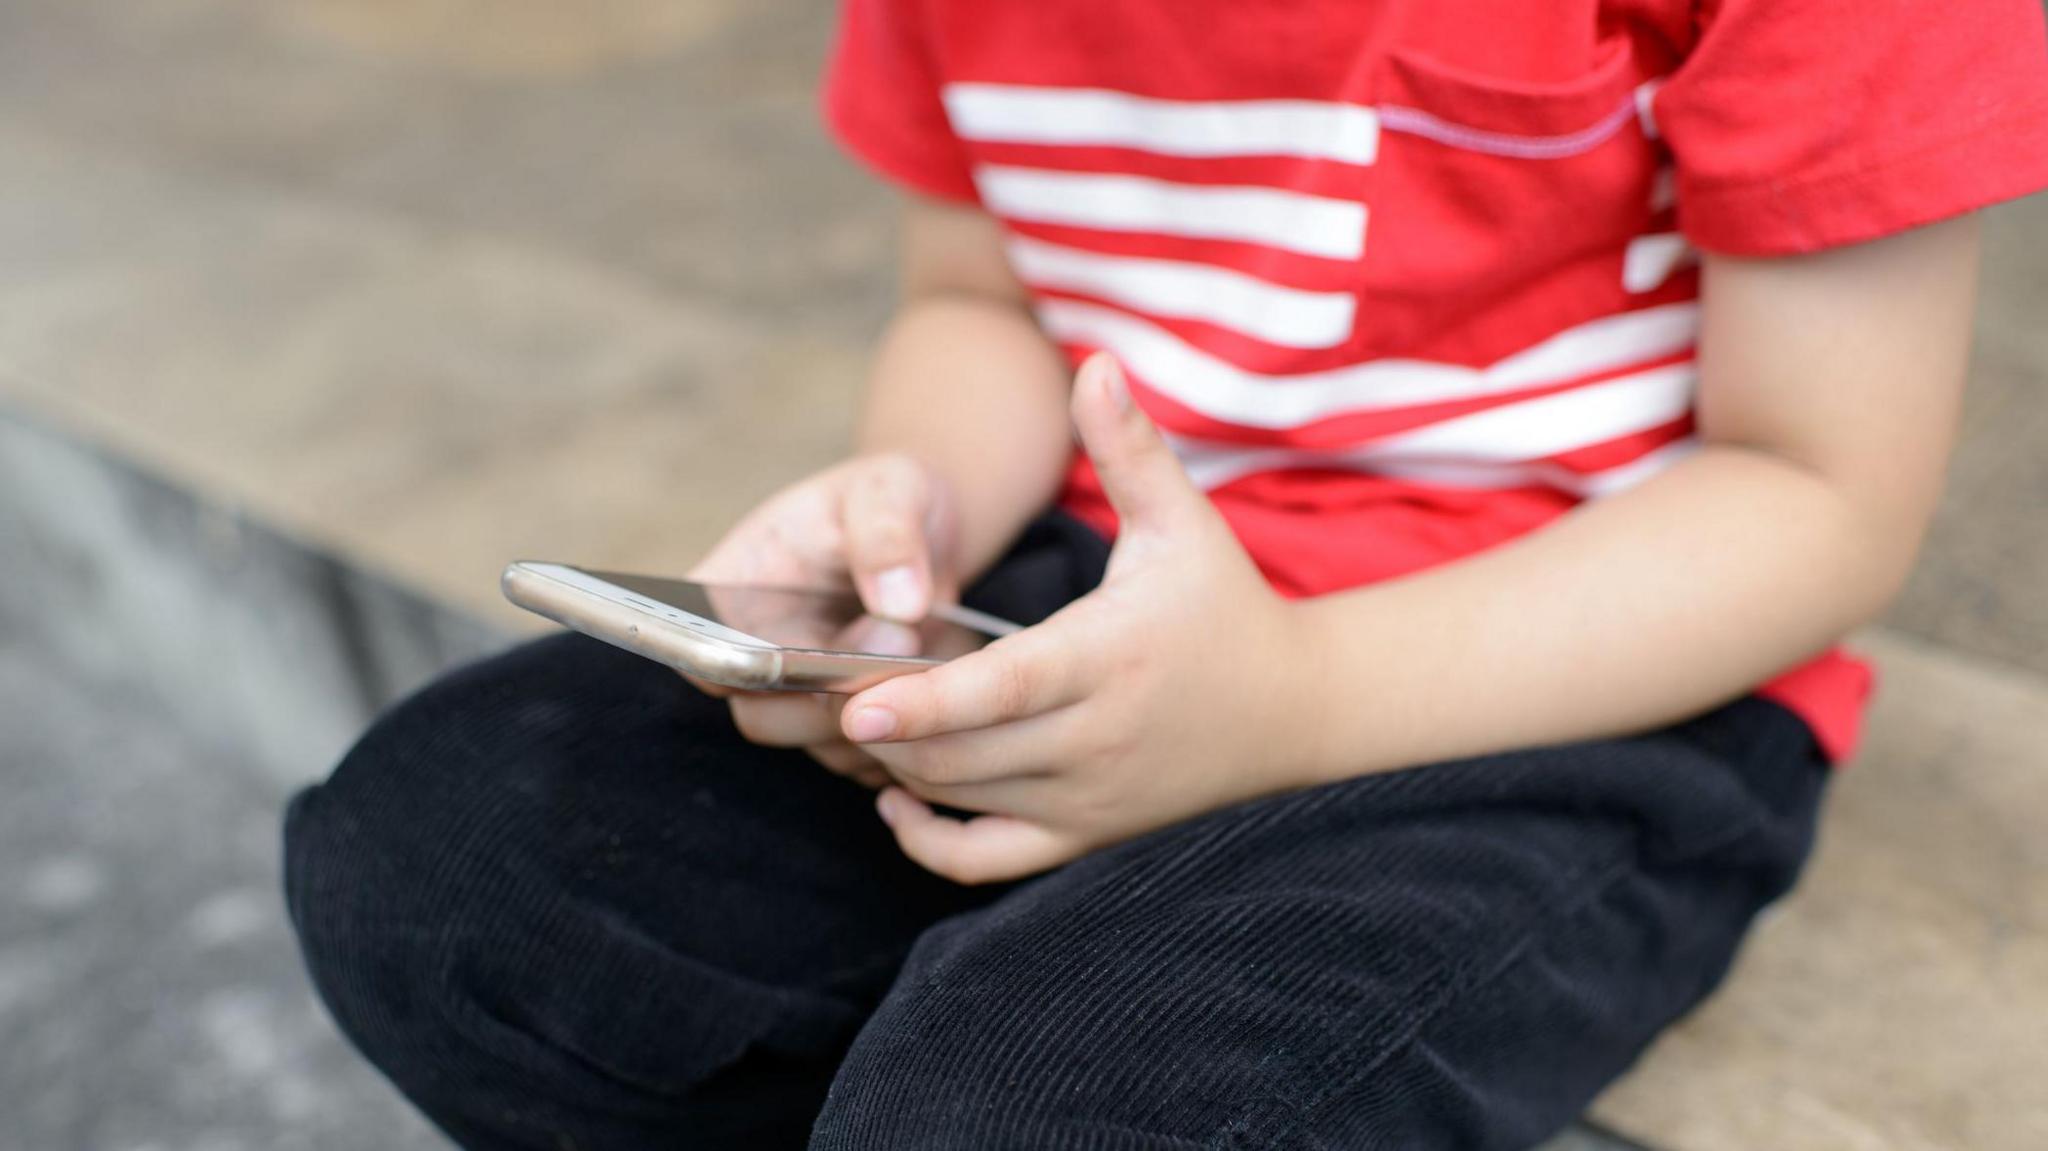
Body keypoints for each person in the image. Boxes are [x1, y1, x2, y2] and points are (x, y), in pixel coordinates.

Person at [282, 0, 2048, 1147]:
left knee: (1037, 1112)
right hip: (1094, 579)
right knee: (442, 883)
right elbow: (981, 300)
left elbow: (1817, 493)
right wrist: (911, 528)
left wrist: (1293, 705)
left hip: (1573, 658)